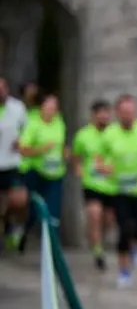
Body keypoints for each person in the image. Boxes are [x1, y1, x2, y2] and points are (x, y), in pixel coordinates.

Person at [102, 94, 137, 288]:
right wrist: (103, 167)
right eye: (124, 112)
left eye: (131, 112)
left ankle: (134, 246)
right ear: (118, 113)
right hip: (119, 190)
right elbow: (99, 158)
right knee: (124, 230)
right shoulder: (109, 134)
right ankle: (124, 271)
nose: (128, 115)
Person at [71, 99, 118, 270]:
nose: (105, 117)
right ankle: (98, 251)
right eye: (101, 113)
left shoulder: (114, 133)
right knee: (95, 215)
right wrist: (77, 168)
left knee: (108, 220)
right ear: (93, 115)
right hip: (92, 183)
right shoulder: (83, 135)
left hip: (111, 185)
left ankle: (97, 238)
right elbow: (75, 155)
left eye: (107, 113)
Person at [16, 92, 68, 241]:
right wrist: (41, 150)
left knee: (53, 211)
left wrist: (65, 152)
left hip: (55, 173)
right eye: (49, 106)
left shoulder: (59, 122)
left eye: (55, 106)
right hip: (36, 172)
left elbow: (60, 144)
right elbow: (23, 149)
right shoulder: (33, 124)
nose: (52, 109)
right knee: (34, 209)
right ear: (42, 107)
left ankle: (53, 246)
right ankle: (25, 231)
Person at [0, 77, 28, 251]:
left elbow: (27, 129)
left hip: (12, 162)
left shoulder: (17, 108)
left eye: (2, 87)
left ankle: (10, 223)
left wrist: (22, 142)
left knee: (18, 200)